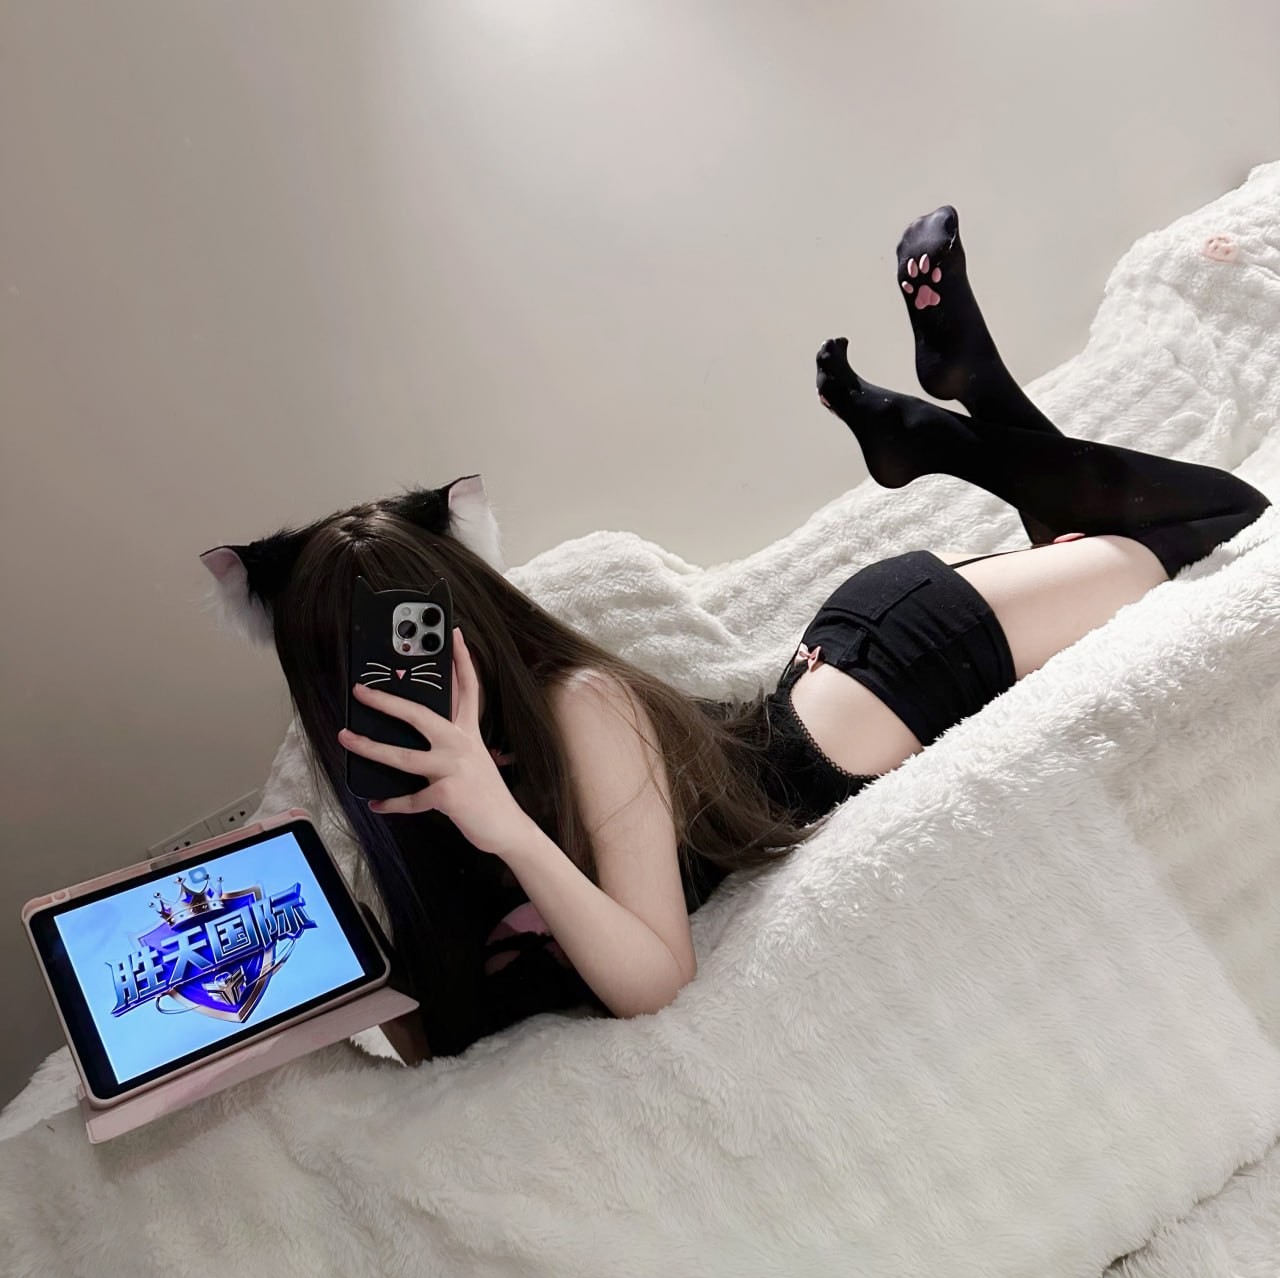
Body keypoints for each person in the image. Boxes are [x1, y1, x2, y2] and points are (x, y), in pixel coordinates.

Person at [201, 206, 1271, 1059]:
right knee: (1102, 540)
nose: (397, 676)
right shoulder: (406, 821)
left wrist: (501, 819)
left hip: (889, 667)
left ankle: (958, 415)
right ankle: (951, 410)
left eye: (413, 637)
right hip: (834, 678)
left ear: (467, 621)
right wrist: (325, 972)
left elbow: (656, 976)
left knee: (1212, 521)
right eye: (357, 667)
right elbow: (451, 1031)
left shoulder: (582, 706)